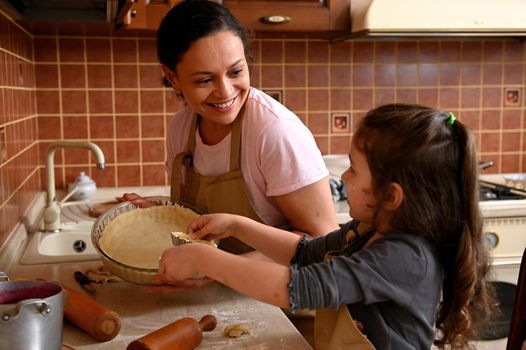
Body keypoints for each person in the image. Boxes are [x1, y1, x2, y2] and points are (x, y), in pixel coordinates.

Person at [157, 103, 495, 349]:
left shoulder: (404, 257)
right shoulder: (366, 229)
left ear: (391, 196)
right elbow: (305, 253)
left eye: (352, 169)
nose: (343, 177)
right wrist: (238, 225)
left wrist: (205, 259)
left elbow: (293, 288)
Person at [123, 0, 338, 254]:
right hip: (213, 286)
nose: (225, 92)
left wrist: (219, 268)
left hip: (273, 291)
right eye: (204, 79)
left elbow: (323, 243)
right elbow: (197, 229)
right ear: (173, 79)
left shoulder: (274, 131)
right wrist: (163, 217)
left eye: (236, 72)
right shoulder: (182, 129)